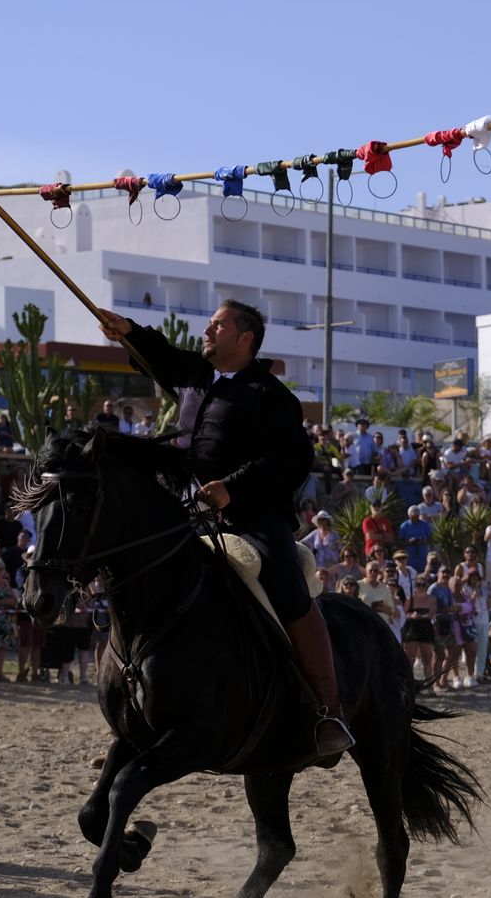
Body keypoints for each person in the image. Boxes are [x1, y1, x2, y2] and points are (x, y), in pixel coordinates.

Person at [99, 300, 354, 759]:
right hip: (184, 509)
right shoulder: (196, 373)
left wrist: (232, 489)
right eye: (210, 322)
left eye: (218, 324)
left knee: (285, 582)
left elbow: (291, 461)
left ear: (245, 339)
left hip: (252, 517)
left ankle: (327, 709)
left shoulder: (272, 396)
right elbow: (160, 354)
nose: (208, 329)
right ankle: (132, 716)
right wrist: (127, 330)